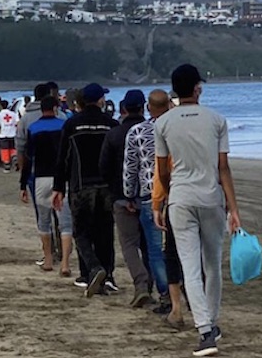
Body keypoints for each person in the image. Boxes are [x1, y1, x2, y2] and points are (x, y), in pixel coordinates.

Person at [154, 64, 241, 357]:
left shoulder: (163, 123)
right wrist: (234, 207)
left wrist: (166, 194)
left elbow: (162, 170)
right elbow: (223, 168)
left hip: (180, 197)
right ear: (196, 88)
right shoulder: (216, 120)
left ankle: (205, 330)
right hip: (210, 196)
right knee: (212, 264)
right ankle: (210, 322)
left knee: (189, 265)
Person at [51, 83, 119, 298]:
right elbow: (118, 160)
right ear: (100, 100)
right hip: (106, 187)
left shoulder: (72, 125)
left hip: (80, 185)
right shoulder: (111, 125)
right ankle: (107, 275)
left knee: (82, 232)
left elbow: (62, 158)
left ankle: (91, 269)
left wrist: (58, 187)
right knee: (105, 232)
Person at [125, 89, 174, 314]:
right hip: (178, 192)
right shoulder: (177, 129)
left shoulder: (137, 132)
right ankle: (187, 292)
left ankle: (167, 296)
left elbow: (131, 168)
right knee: (181, 247)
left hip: (148, 195)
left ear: (148, 107)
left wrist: (129, 194)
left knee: (155, 250)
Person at [100, 90, 150, 304]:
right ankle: (157, 288)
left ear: (123, 109)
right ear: (143, 107)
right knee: (151, 245)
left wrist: (115, 191)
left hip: (121, 197)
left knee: (129, 244)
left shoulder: (114, 134)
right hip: (149, 196)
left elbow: (104, 167)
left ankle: (140, 283)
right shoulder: (152, 132)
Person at [20, 96, 75, 275]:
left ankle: (48, 260)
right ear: (56, 107)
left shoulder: (33, 128)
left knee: (44, 221)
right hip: (62, 178)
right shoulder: (64, 126)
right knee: (65, 223)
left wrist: (23, 184)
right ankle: (65, 264)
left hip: (41, 178)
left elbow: (28, 158)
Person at [0, 100, 20, 174]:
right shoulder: (14, 114)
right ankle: (15, 159)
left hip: (3, 135)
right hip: (13, 134)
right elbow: (18, 123)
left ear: (1, 106)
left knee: (5, 151)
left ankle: (7, 167)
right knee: (12, 149)